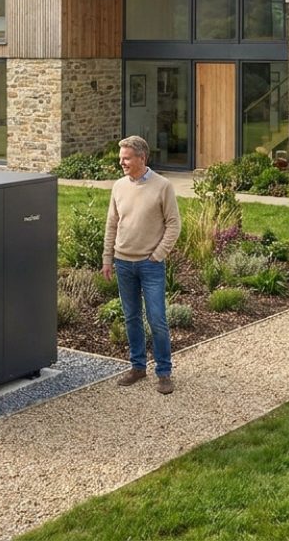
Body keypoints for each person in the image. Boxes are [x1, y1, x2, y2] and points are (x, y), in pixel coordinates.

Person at [102, 135, 181, 395]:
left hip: (150, 265)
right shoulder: (118, 186)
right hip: (123, 262)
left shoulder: (162, 186)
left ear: (142, 158)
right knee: (131, 318)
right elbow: (112, 224)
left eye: (126, 158)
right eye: (121, 158)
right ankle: (137, 367)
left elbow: (174, 224)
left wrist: (158, 254)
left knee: (157, 319)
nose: (121, 162)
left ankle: (164, 372)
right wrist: (107, 258)